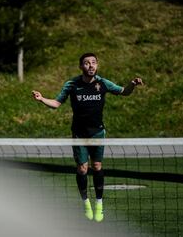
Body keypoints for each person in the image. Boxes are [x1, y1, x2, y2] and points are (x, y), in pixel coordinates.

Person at [32, 52, 143, 222]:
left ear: (97, 65)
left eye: (93, 62)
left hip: (98, 133)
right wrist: (41, 99)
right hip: (79, 134)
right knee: (82, 169)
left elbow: (124, 92)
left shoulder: (103, 83)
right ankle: (86, 203)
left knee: (97, 166)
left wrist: (132, 84)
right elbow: (56, 104)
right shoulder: (72, 85)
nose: (90, 65)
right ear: (81, 66)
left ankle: (99, 204)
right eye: (86, 63)